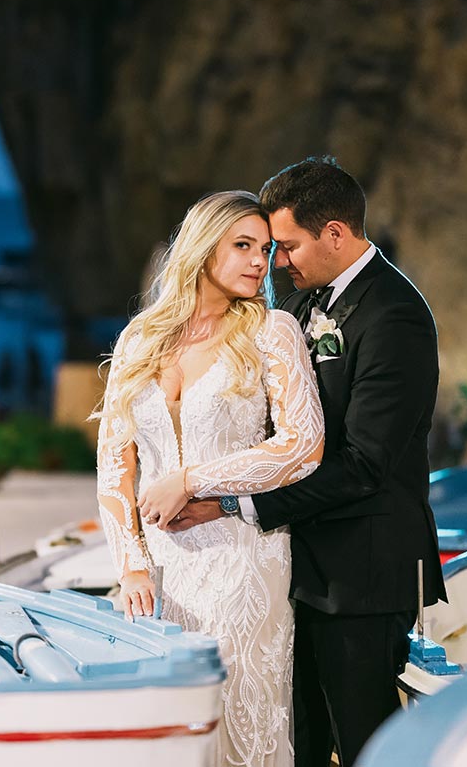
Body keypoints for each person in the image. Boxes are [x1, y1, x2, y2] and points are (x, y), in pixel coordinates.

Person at [167, 157, 447, 767]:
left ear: (336, 235)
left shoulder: (395, 315)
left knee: (365, 741)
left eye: (287, 246)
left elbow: (367, 463)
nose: (278, 263)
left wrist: (236, 503)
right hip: (292, 571)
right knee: (303, 744)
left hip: (362, 573)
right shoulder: (297, 309)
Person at [95, 190, 325, 767]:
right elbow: (114, 469)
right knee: (172, 734)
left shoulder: (271, 332)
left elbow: (303, 446)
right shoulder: (139, 340)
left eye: (266, 249)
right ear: (201, 250)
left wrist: (192, 480)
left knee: (241, 725)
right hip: (161, 576)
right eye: (242, 245)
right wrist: (131, 565)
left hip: (243, 561)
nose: (259, 261)